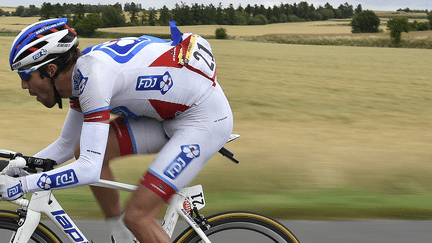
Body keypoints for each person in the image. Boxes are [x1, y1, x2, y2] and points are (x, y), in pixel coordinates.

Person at [0, 18, 233, 243]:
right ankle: (120, 234)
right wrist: (17, 168)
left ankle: (129, 226)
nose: (23, 85)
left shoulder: (94, 77)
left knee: (139, 216)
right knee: (83, 148)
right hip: (166, 116)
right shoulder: (79, 79)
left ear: (50, 70)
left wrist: (22, 186)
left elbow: (89, 170)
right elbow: (67, 145)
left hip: (202, 120)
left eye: (24, 75)